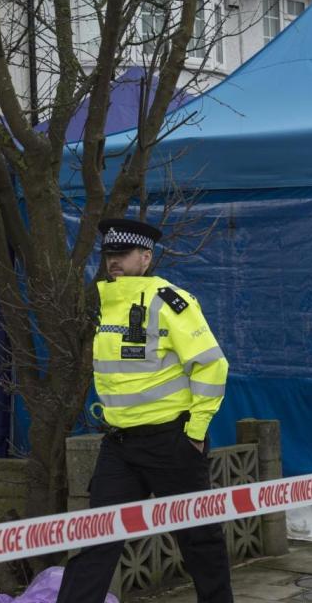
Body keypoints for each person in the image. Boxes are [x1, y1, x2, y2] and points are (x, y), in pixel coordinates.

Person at [56, 217, 233, 603]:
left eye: (123, 254)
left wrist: (196, 431)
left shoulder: (170, 301)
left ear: (146, 257)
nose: (113, 262)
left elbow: (212, 364)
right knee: (95, 539)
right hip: (120, 445)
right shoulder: (109, 303)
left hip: (172, 441)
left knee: (200, 540)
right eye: (108, 255)